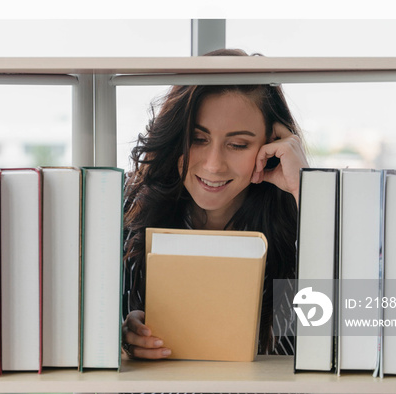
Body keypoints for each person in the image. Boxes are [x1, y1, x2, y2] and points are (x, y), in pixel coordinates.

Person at [121, 48, 309, 359]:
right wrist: (124, 337)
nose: (213, 165)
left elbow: (343, 335)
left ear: (272, 144)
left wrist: (305, 188)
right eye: (197, 138)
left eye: (238, 144)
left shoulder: (299, 224)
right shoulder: (130, 212)